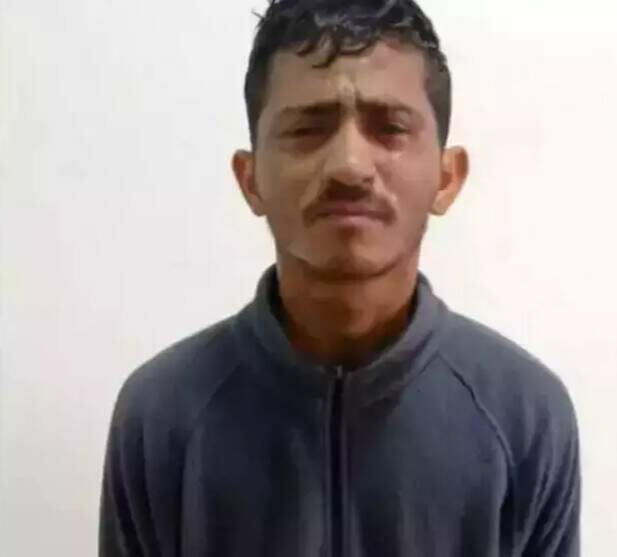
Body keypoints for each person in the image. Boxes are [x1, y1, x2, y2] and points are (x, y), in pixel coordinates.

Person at [99, 0, 581, 555]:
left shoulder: (524, 416)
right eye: (308, 129)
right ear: (250, 179)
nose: (349, 165)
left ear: (446, 177)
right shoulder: (162, 415)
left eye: (390, 128)